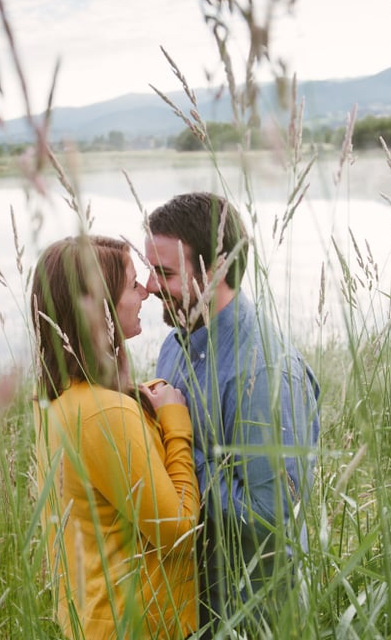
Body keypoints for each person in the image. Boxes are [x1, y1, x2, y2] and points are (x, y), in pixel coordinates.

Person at [144, 192, 321, 637]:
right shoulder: (176, 340)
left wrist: (178, 446)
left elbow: (268, 518)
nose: (147, 286)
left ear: (216, 269)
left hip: (249, 613)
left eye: (163, 272)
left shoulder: (265, 371)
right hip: (188, 601)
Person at [31, 235, 201, 640]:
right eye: (131, 284)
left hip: (94, 618)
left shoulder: (60, 402)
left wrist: (140, 406)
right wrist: (175, 422)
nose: (146, 292)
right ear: (98, 304)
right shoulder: (108, 413)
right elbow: (180, 531)